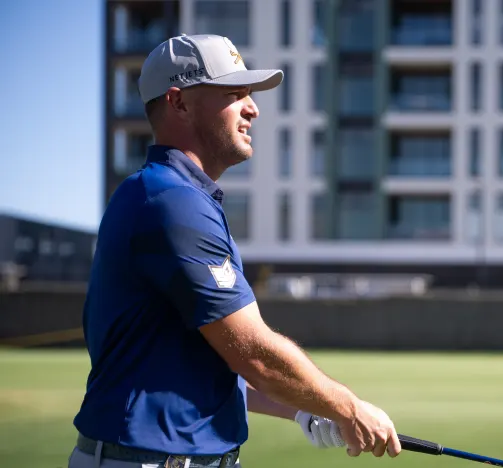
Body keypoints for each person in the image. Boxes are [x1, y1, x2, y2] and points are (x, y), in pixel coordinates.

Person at [67, 33, 401, 468]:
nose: (253, 108)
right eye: (234, 94)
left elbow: (208, 363)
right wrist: (347, 406)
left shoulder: (173, 196)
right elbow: (253, 353)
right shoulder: (171, 201)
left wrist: (303, 408)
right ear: (179, 102)